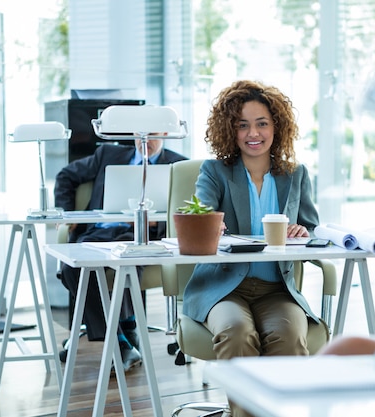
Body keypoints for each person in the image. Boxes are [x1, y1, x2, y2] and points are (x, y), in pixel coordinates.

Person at [181, 80, 318, 417]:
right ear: (230, 130)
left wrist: (303, 231)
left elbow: (312, 226)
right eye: (242, 125)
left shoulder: (295, 174)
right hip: (224, 288)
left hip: (276, 289)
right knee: (237, 333)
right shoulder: (215, 171)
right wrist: (212, 223)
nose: (252, 133)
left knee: (288, 337)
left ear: (276, 127)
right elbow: (200, 210)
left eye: (261, 123)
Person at [55, 138, 187, 371]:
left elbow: (187, 209)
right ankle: (123, 334)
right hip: (99, 233)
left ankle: (121, 338)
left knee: (125, 263)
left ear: (165, 132)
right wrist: (68, 213)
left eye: (152, 134)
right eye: (139, 134)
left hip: (140, 236)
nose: (145, 141)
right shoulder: (107, 154)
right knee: (70, 268)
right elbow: (65, 176)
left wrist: (160, 220)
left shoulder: (178, 165)